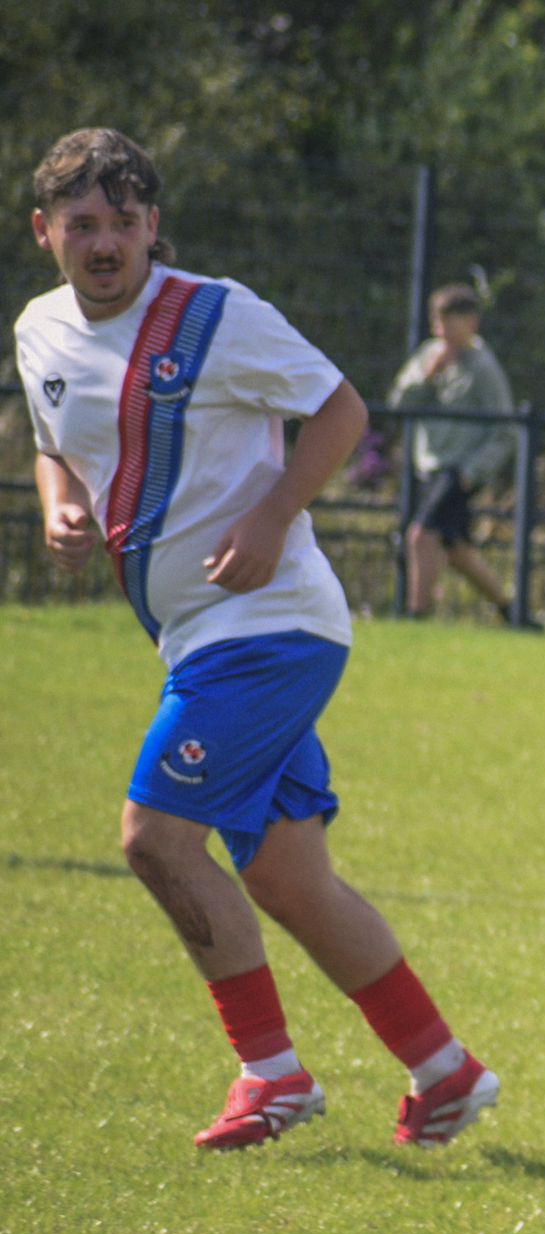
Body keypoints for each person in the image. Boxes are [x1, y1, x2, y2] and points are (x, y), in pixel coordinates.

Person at [17, 128, 499, 1151]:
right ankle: (444, 1068)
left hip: (271, 629)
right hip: (197, 640)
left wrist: (275, 514)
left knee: (154, 839)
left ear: (154, 225)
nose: (103, 242)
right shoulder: (39, 330)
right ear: (43, 232)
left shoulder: (212, 314)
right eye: (82, 223)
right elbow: (55, 440)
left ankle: (271, 1074)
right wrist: (59, 503)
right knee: (286, 877)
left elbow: (340, 409)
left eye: (123, 222)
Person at [387, 282, 516, 617]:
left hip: (457, 472)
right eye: (437, 322)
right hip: (427, 467)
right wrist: (429, 375)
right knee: (456, 551)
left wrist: (473, 472)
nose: (441, 332)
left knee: (420, 536)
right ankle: (513, 613)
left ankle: (415, 616)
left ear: (472, 323)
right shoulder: (428, 356)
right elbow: (398, 403)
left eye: (450, 323)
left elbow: (506, 430)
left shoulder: (484, 368)